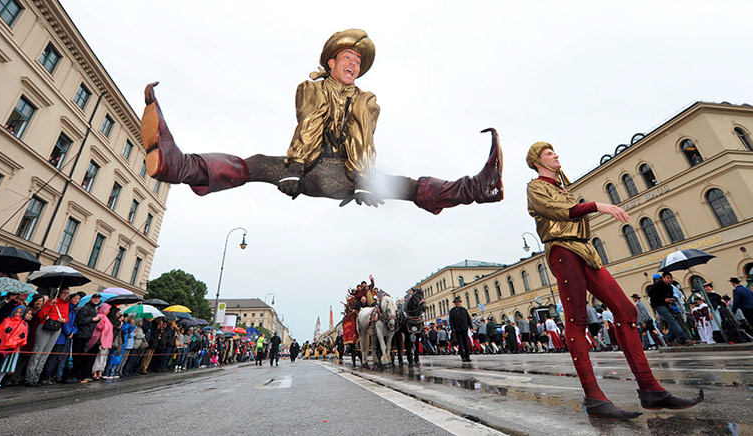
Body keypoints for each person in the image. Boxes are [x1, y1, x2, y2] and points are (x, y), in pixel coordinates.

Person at [140, 29, 502, 215]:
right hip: (309, 168)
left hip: (350, 176)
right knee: (256, 164)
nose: (353, 66)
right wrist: (294, 168)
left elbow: (363, 137)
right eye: (347, 58)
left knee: (406, 185)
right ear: (331, 62)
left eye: (358, 63)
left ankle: (477, 188)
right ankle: (179, 165)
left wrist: (363, 180)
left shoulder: (365, 99)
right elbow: (309, 123)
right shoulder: (313, 88)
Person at [526, 141, 702, 419]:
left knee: (626, 311)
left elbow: (571, 209)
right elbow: (560, 212)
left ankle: (650, 389)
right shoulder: (536, 187)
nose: (556, 155)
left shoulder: (562, 187)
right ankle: (594, 398)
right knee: (577, 320)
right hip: (562, 250)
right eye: (549, 153)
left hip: (584, 249)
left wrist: (592, 206)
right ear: (537, 161)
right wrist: (598, 206)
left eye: (555, 151)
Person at [24, 288, 70, 387]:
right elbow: (41, 315)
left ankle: (36, 378)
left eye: (67, 293)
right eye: (63, 293)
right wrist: (49, 304)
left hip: (56, 328)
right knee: (37, 352)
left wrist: (63, 320)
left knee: (45, 354)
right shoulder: (51, 301)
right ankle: (29, 378)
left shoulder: (66, 304)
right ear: (59, 293)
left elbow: (66, 318)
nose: (65, 295)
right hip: (45, 326)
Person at [648, 273, 694, 346]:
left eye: (671, 278)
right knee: (672, 320)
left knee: (671, 321)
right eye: (668, 277)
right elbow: (652, 296)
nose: (670, 279)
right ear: (663, 278)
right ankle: (684, 339)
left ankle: (670, 339)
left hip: (667, 305)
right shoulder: (657, 286)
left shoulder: (670, 287)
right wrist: (664, 300)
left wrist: (670, 302)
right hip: (659, 305)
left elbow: (671, 295)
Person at [0, 305, 28, 390]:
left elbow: (21, 337)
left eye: (20, 313)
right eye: (17, 312)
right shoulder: (6, 321)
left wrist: (10, 345)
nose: (18, 314)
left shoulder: (22, 324)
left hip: (7, 349)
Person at [448, 296, 471, 362]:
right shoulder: (452, 311)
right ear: (455, 303)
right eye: (456, 302)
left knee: (466, 343)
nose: (457, 303)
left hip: (464, 328)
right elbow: (451, 320)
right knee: (460, 343)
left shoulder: (464, 310)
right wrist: (453, 329)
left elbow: (468, 318)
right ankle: (463, 356)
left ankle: (467, 356)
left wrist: (470, 327)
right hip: (457, 329)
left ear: (460, 303)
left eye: (458, 302)